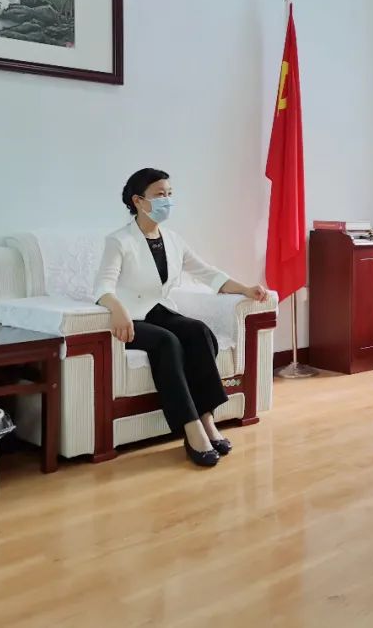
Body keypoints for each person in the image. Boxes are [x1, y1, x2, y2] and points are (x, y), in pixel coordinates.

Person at [94, 168, 269, 467]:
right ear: (138, 201)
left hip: (159, 311)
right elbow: (103, 287)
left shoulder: (173, 240)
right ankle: (191, 428)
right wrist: (116, 308)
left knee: (199, 332)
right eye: (159, 195)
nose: (167, 200)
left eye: (169, 194)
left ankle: (207, 419)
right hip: (131, 319)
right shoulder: (119, 241)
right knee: (168, 342)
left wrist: (244, 288)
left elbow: (207, 273)